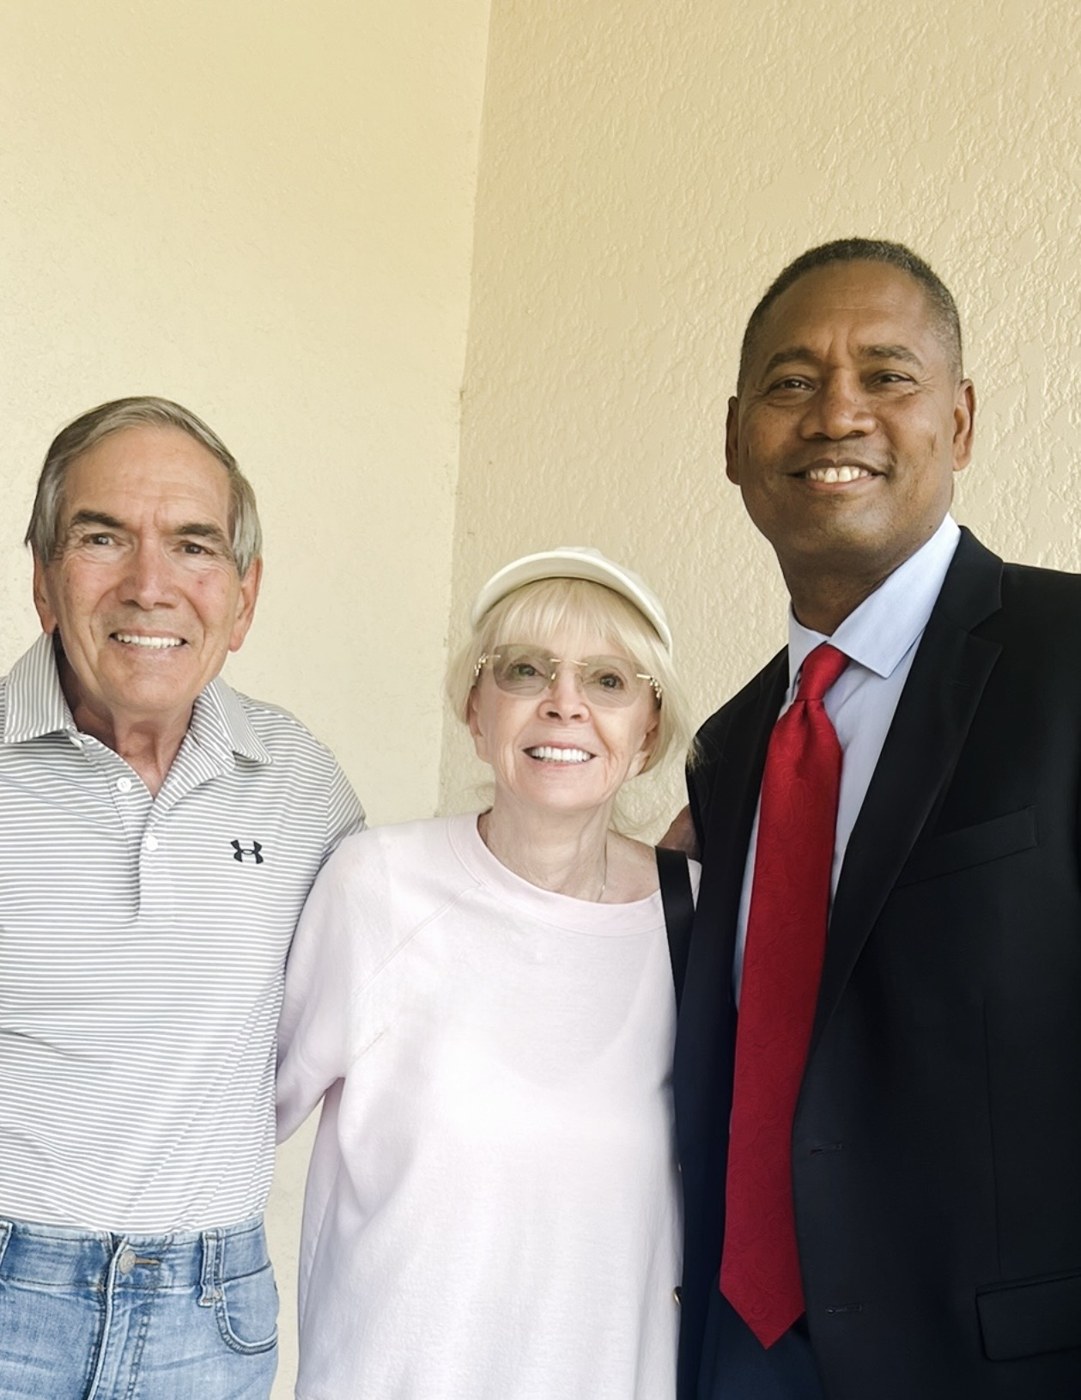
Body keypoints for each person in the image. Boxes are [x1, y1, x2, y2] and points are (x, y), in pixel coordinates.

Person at [672, 237, 1081, 1400]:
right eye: (791, 382)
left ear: (958, 423)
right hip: (737, 1352)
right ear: (735, 438)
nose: (834, 413)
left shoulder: (1066, 661)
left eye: (886, 375)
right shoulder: (732, 744)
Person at [0, 397, 364, 1400]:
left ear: (243, 598)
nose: (149, 585)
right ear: (41, 578)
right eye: (102, 535)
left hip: (211, 1315)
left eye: (193, 545)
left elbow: (369, 1002)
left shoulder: (300, 782)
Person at [277, 546, 698, 1400]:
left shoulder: (696, 915)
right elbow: (230, 1125)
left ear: (648, 728)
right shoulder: (377, 887)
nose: (565, 704)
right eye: (524, 670)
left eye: (609, 681)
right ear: (475, 709)